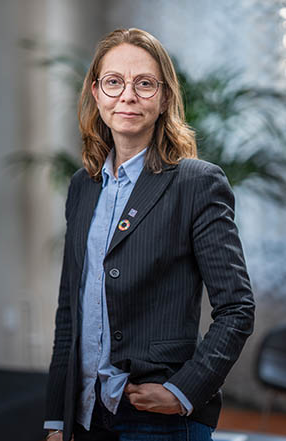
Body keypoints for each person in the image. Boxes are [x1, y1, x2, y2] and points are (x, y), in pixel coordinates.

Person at [44, 28, 255, 441]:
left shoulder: (197, 183)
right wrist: (56, 419)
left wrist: (183, 390)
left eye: (144, 83)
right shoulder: (82, 186)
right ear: (96, 92)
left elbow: (237, 308)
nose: (127, 96)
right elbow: (70, 310)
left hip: (158, 418)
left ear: (164, 99)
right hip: (85, 416)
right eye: (114, 82)